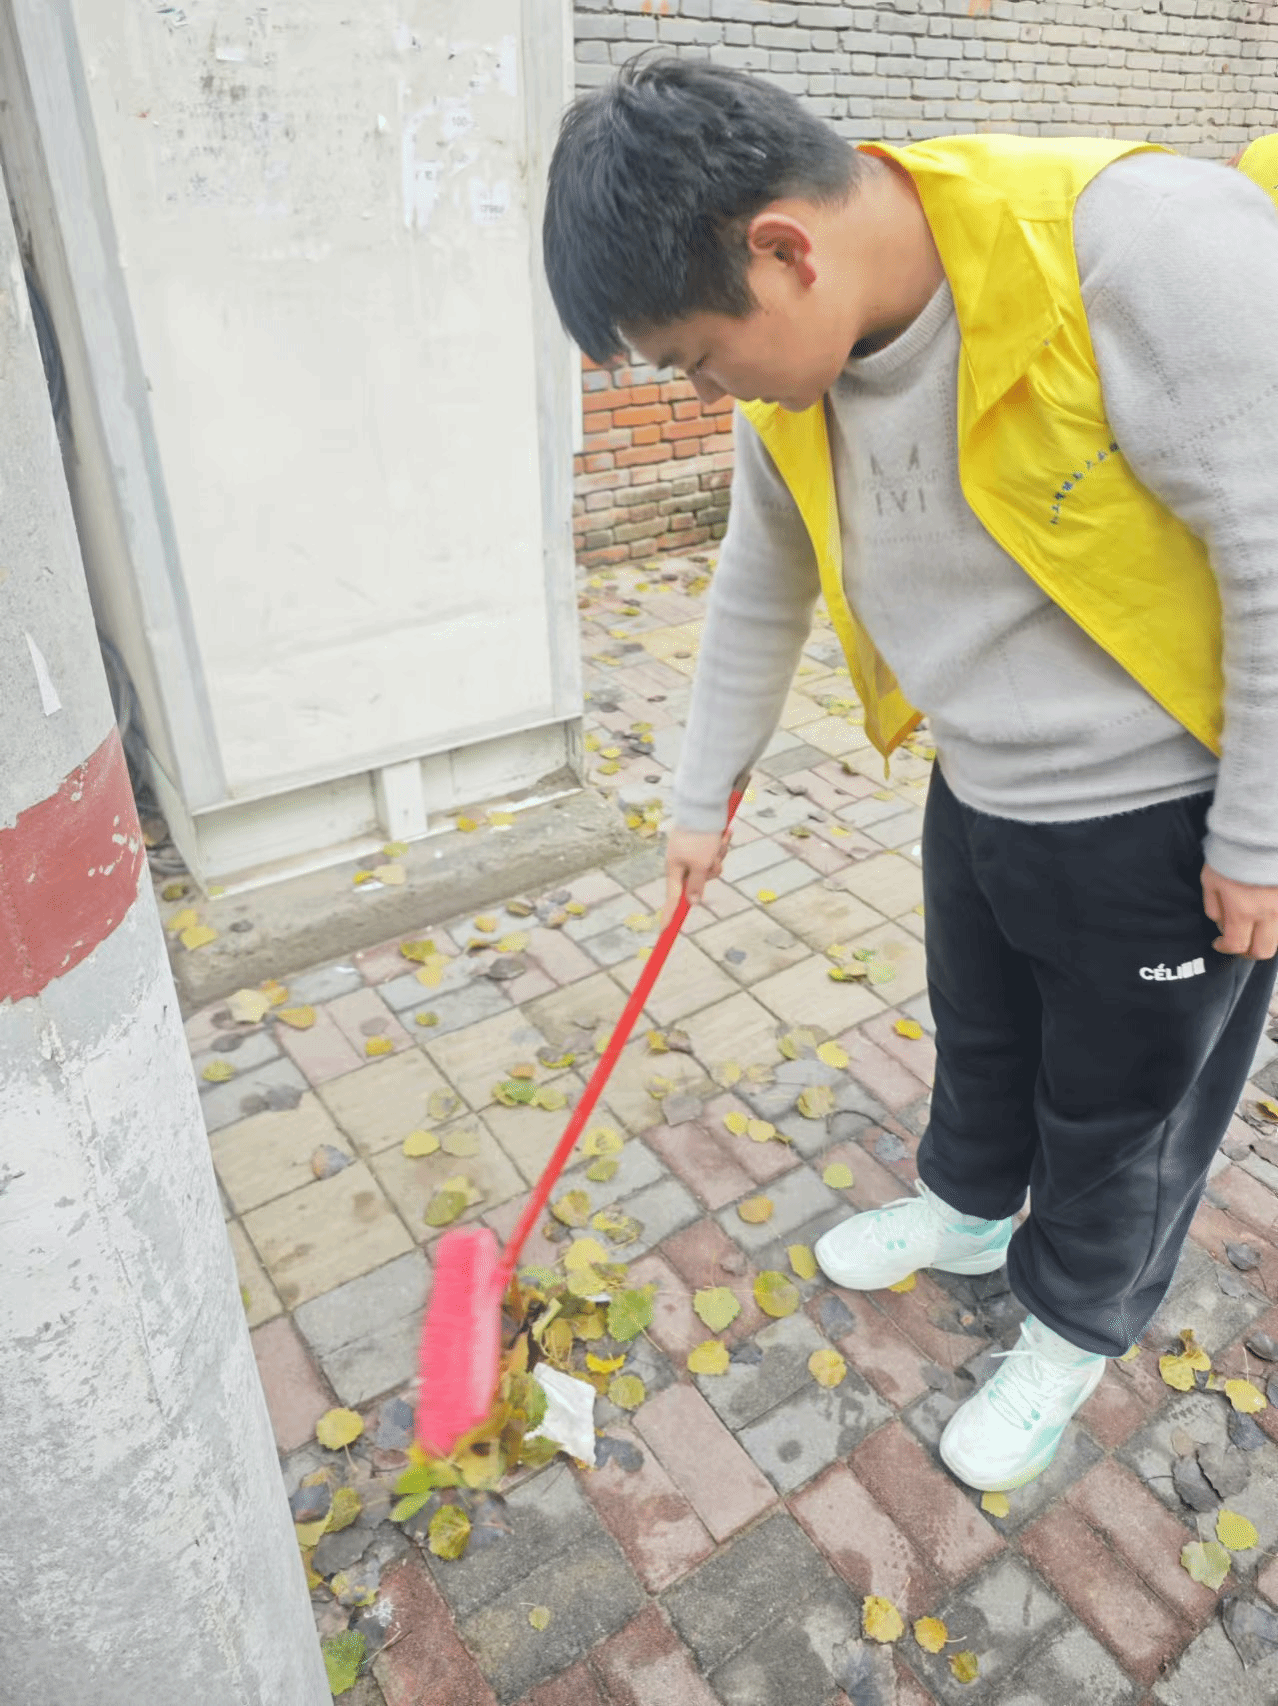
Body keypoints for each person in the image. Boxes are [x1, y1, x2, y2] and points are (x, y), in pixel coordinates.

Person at [542, 58, 1278, 1494]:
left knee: (1121, 1114)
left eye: (696, 359)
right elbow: (758, 582)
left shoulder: (1134, 248)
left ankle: (1073, 1324)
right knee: (982, 1033)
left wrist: (1257, 829)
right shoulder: (799, 371)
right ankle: (965, 1209)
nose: (707, 392)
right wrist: (698, 800)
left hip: (1164, 815)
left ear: (783, 250)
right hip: (980, 781)